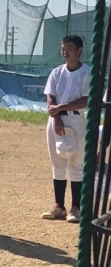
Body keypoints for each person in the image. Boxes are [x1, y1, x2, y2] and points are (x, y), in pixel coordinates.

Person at [41, 35, 89, 223]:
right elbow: (50, 96)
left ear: (79, 51)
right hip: (56, 120)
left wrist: (61, 108)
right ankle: (59, 207)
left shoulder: (87, 73)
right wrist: (56, 117)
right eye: (63, 48)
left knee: (76, 165)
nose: (65, 51)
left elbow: (85, 100)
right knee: (58, 164)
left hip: (77, 120)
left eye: (69, 48)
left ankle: (76, 208)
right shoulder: (56, 72)